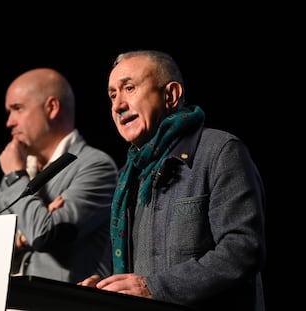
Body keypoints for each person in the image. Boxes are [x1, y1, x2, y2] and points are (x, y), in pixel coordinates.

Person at [78, 50, 266, 311]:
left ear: (171, 95)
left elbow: (243, 250)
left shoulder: (220, 151)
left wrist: (155, 288)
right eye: (112, 95)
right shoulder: (127, 176)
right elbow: (137, 277)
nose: (118, 105)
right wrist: (107, 289)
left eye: (129, 88)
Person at [0, 68, 118, 284]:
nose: (9, 122)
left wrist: (16, 176)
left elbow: (45, 235)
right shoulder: (20, 170)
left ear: (52, 107)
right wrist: (23, 237)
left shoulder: (95, 165)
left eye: (17, 109)